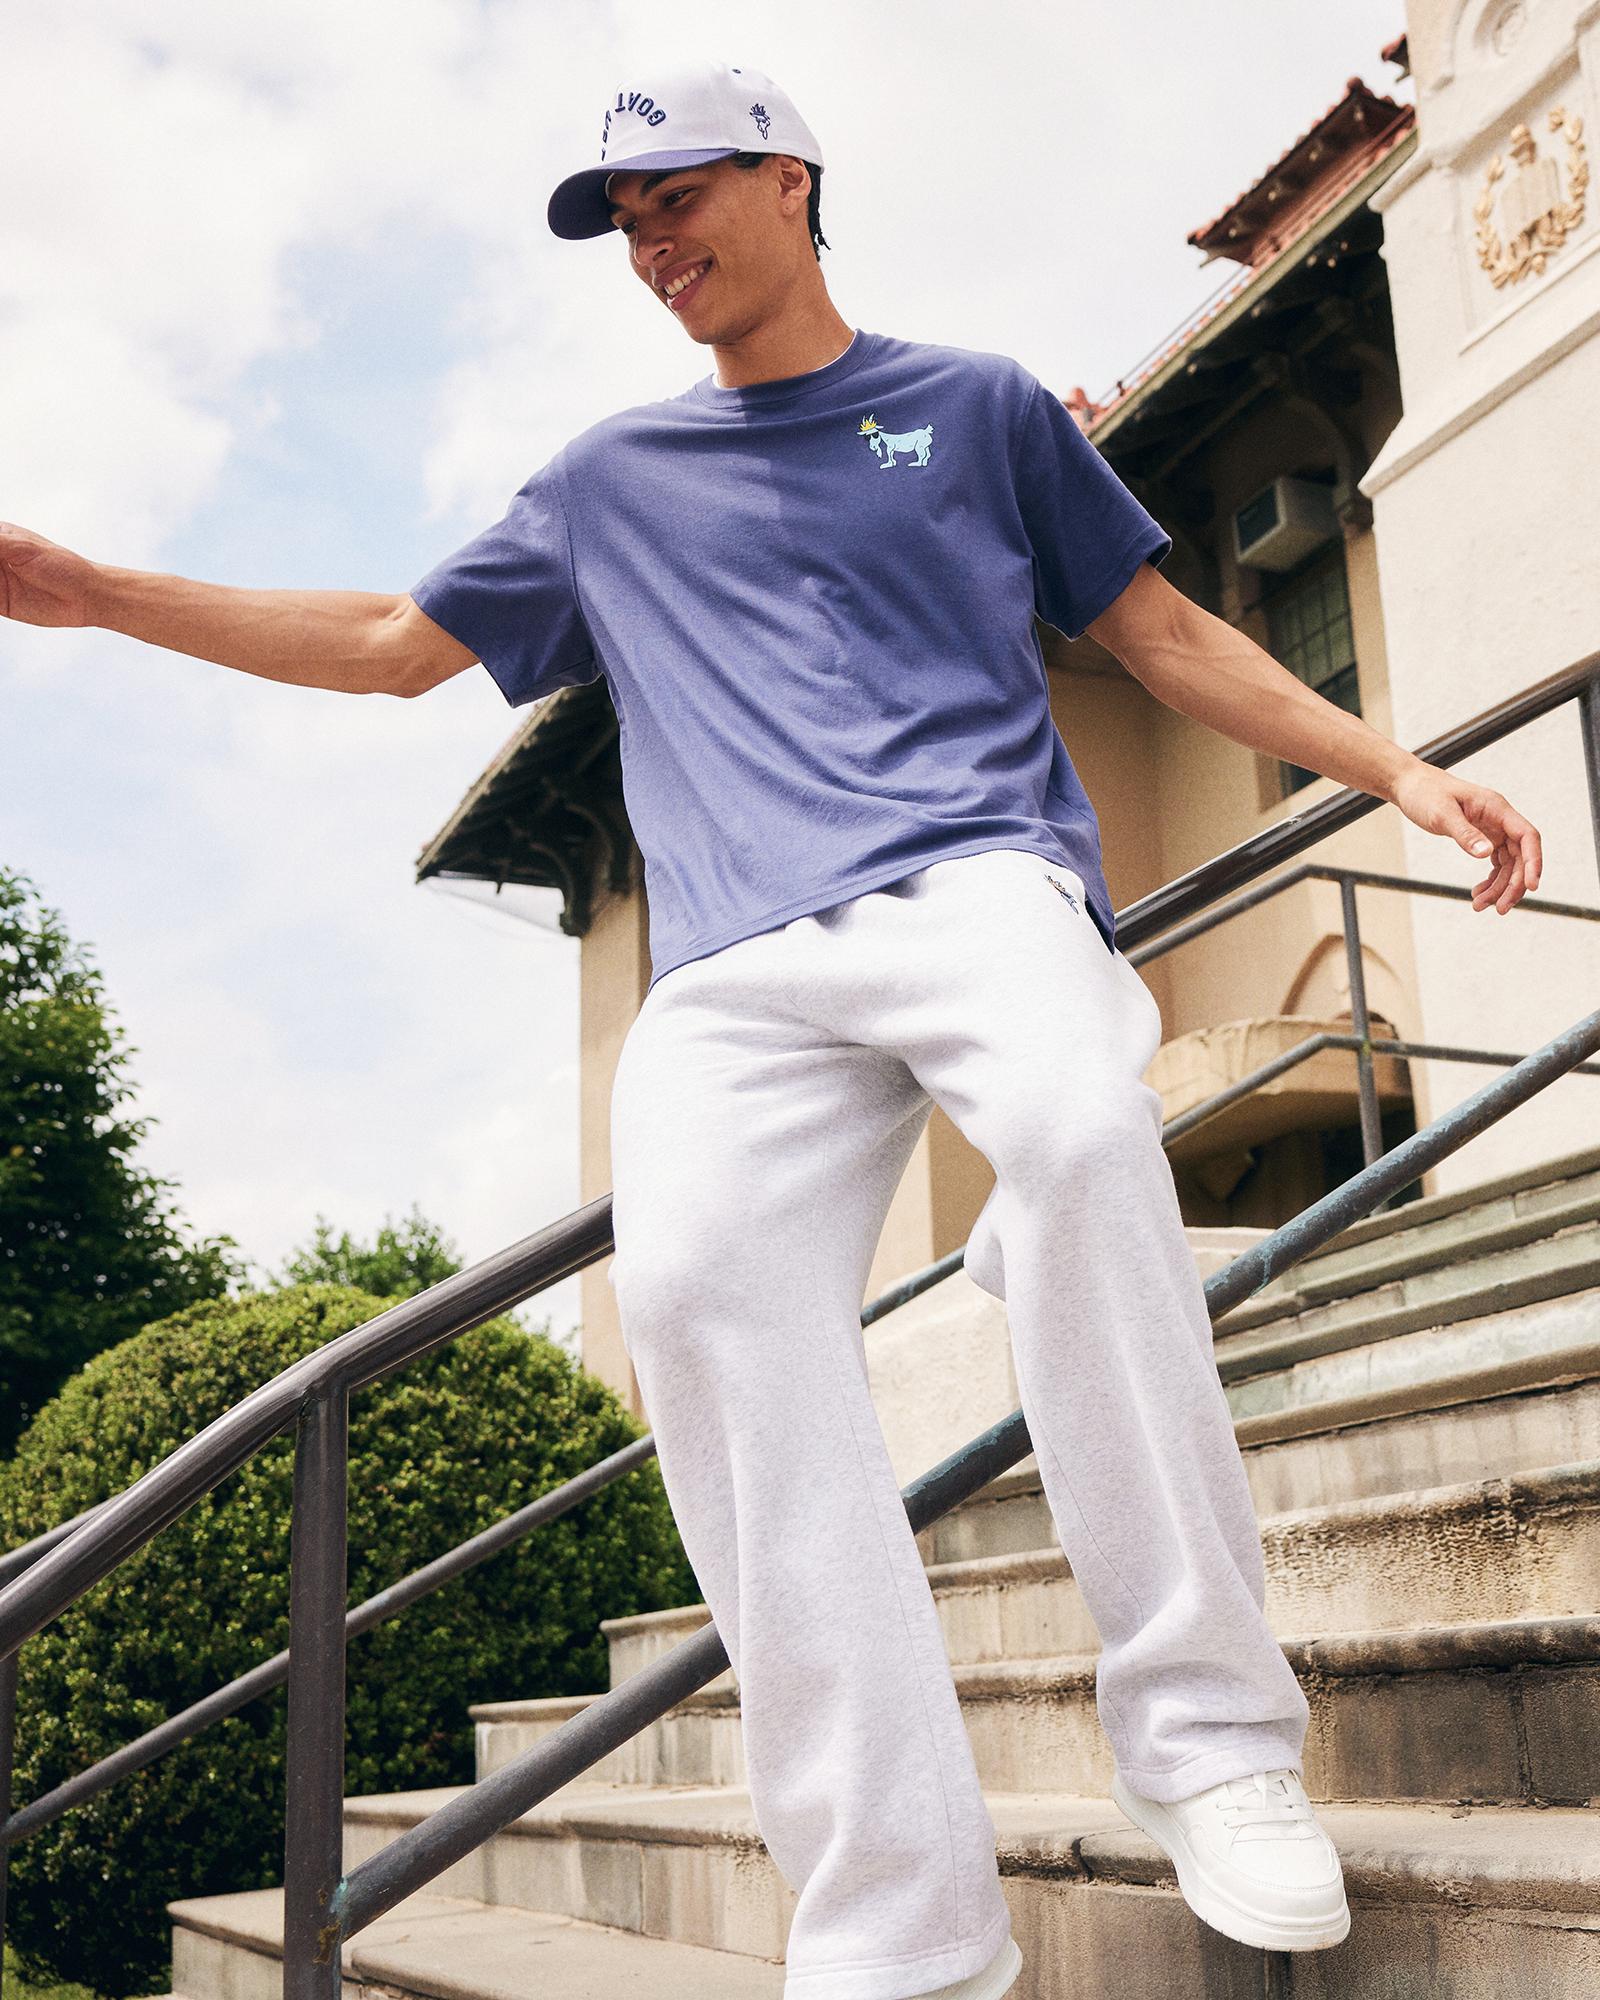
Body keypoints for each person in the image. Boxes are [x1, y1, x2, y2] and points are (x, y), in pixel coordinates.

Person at [0, 54, 1543, 2000]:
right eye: (623, 222)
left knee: (1074, 1134)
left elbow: (1166, 637)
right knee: (708, 1300)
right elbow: (394, 649)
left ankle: (1216, 1754)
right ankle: (895, 1916)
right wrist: (91, 590)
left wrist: (1391, 771)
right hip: (734, 969)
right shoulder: (607, 487)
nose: (653, 245)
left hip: (980, 881)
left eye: (677, 196)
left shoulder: (971, 408)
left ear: (789, 178)